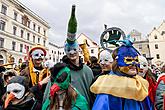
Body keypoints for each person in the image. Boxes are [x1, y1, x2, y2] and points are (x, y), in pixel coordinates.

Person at [90, 39, 154, 110]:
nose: (133, 64)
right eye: (128, 60)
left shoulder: (140, 85)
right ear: (117, 62)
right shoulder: (108, 87)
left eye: (136, 60)